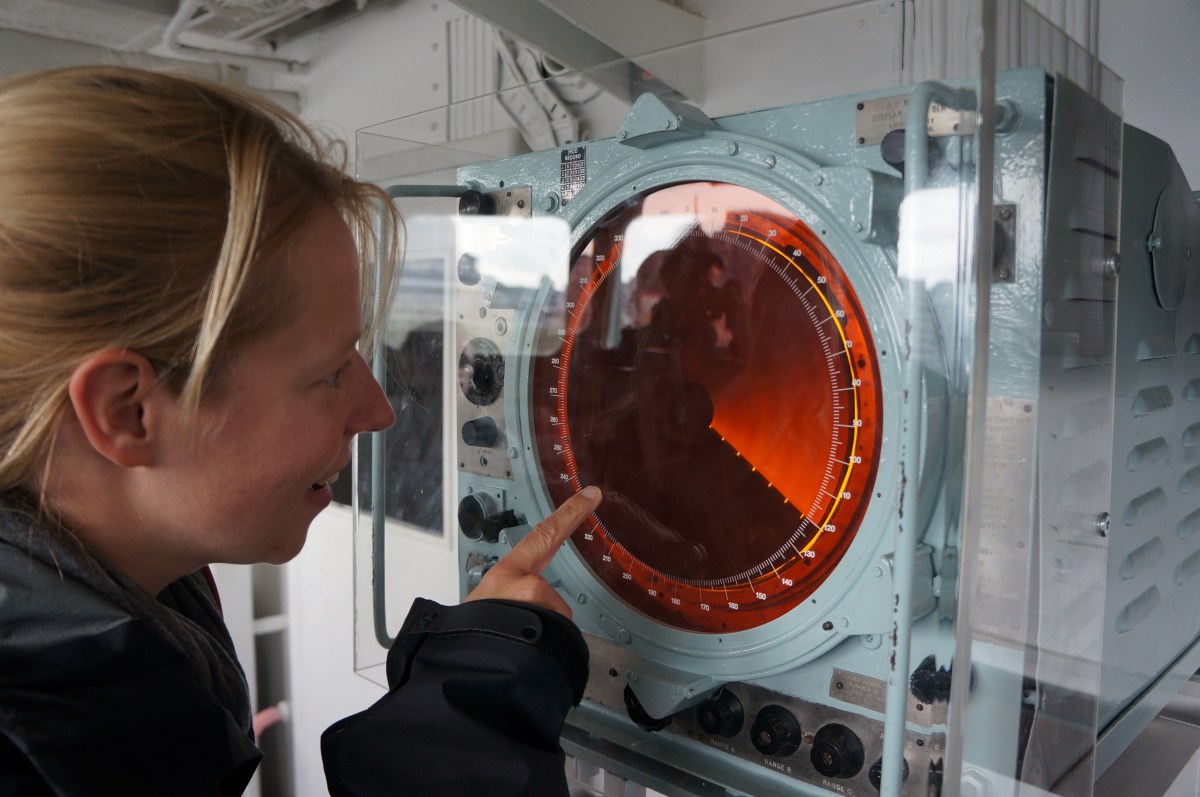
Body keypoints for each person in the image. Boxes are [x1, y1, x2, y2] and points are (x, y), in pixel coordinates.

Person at [0, 65, 602, 796]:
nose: (378, 411)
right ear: (128, 412)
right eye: (329, 372)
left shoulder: (124, 632)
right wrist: (470, 714)